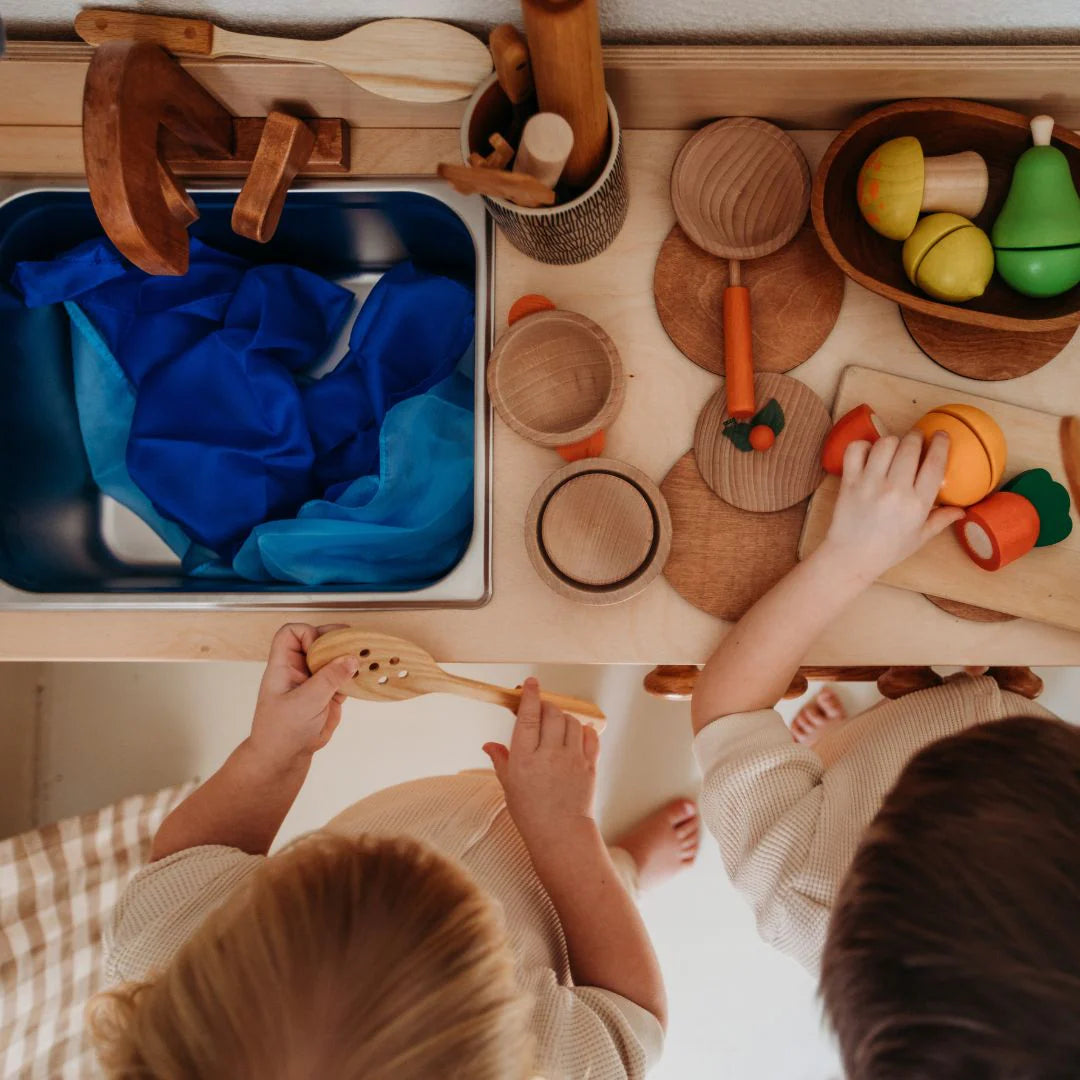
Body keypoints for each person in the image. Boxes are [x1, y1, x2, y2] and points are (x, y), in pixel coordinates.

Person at [90, 625, 699, 1080]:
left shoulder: (166, 958)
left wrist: (274, 753)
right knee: (595, 894)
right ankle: (625, 868)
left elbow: (198, 853)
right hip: (549, 894)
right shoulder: (549, 1065)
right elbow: (628, 1012)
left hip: (434, 806)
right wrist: (566, 829)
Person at [691, 429, 1080, 1078]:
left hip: (869, 741)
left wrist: (847, 560)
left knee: (820, 747)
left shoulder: (802, 895)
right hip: (969, 704)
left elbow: (729, 710)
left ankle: (831, 748)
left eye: (897, 800)